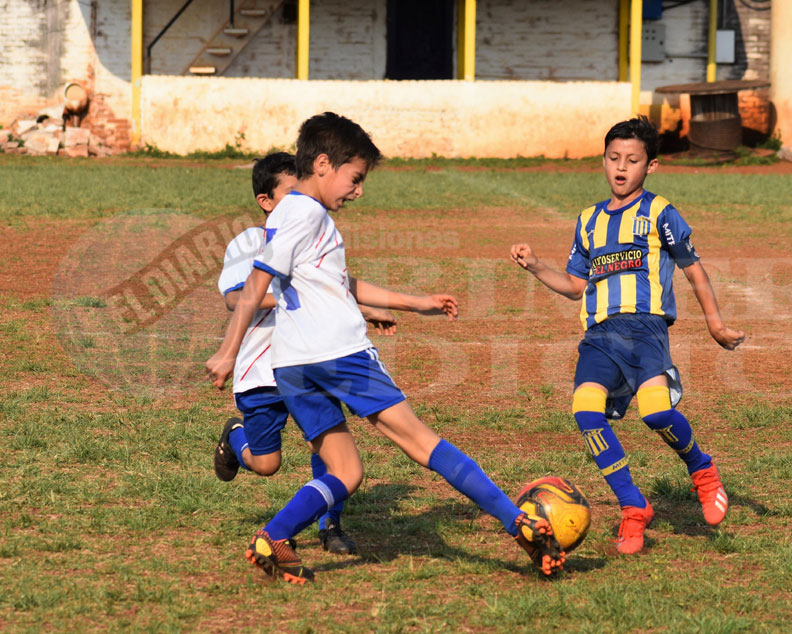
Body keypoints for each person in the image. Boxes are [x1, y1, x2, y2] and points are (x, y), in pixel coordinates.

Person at [206, 112, 565, 584]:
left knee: (345, 470)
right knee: (421, 441)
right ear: (321, 165)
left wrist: (414, 302)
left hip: (293, 364)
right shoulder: (307, 212)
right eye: (354, 179)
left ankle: (274, 536)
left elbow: (333, 280)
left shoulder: (293, 212)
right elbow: (254, 285)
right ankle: (517, 521)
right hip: (337, 354)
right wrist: (229, 352)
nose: (357, 191)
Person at [509, 117, 745, 555]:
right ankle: (633, 506)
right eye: (614, 158)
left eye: (632, 160)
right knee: (585, 412)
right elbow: (577, 286)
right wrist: (537, 266)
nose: (621, 168)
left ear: (650, 166)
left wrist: (714, 322)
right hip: (599, 333)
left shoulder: (660, 212)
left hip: (645, 329)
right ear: (603, 159)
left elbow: (693, 267)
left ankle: (702, 469)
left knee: (656, 414)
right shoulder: (587, 222)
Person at [212, 152, 395, 555]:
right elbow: (234, 299)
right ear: (266, 201)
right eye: (291, 192)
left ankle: (330, 527)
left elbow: (331, 291)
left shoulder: (313, 233)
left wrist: (365, 310)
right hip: (261, 370)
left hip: (309, 358)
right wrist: (278, 293)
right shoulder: (248, 243)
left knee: (325, 446)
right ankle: (235, 435)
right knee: (267, 465)